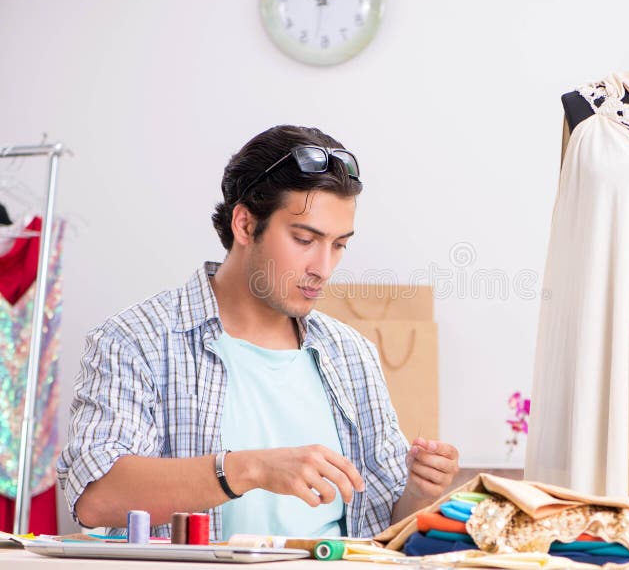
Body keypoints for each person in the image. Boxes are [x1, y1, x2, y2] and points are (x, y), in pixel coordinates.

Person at [57, 125, 459, 540]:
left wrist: (417, 491)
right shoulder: (136, 340)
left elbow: (385, 525)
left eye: (339, 245)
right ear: (245, 225)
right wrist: (250, 469)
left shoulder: (350, 353)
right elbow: (96, 496)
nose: (324, 267)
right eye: (305, 239)